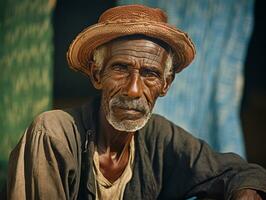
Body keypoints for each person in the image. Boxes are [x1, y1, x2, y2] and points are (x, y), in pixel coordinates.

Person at [7, 4, 266, 200]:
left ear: (165, 85)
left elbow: (238, 173)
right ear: (97, 75)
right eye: (120, 69)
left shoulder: (161, 137)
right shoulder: (55, 133)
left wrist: (245, 191)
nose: (133, 90)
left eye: (150, 74)